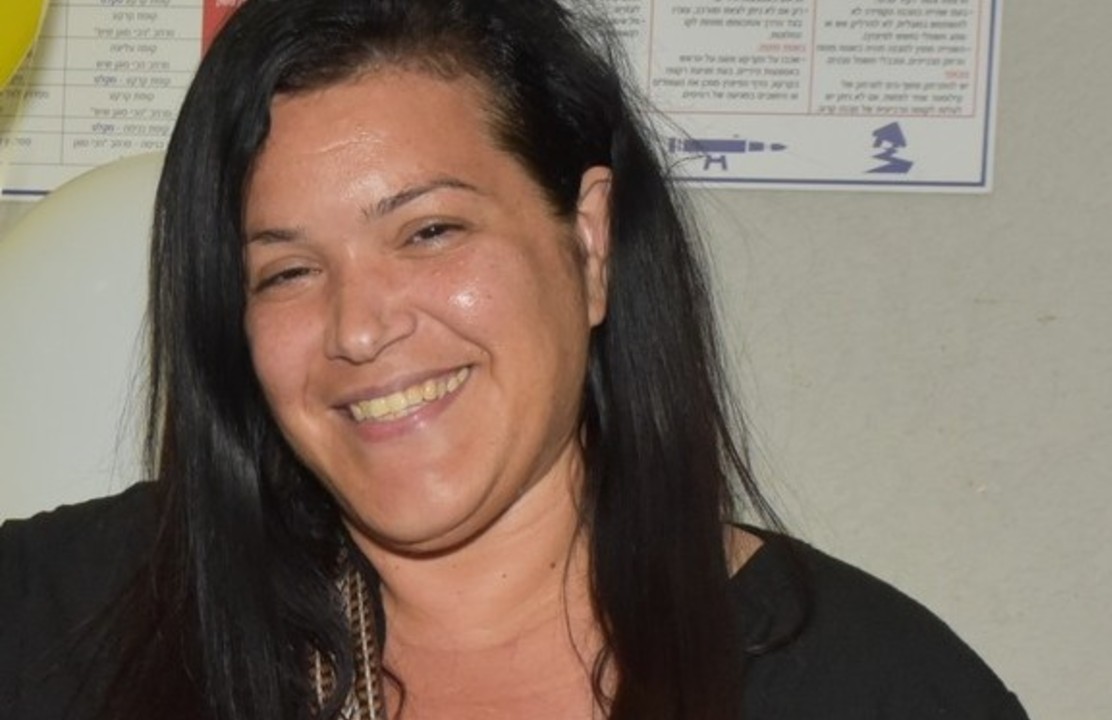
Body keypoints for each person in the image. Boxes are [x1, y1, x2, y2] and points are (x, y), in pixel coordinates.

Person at [0, 1, 1031, 719]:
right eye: (287, 272)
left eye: (430, 232)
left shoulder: (876, 689)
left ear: (588, 241)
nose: (358, 328)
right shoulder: (61, 621)